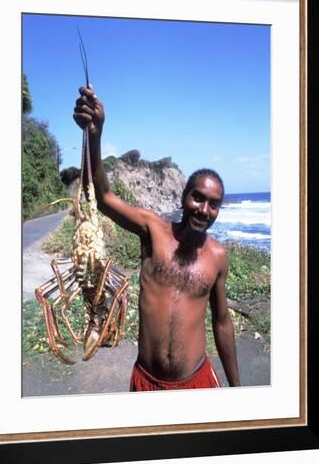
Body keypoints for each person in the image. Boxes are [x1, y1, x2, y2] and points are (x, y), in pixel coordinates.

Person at [73, 85, 240, 391]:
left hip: (197, 383)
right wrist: (94, 134)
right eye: (197, 198)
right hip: (146, 381)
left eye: (213, 204)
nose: (203, 210)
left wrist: (237, 390)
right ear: (183, 197)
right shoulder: (152, 229)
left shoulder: (217, 256)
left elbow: (221, 321)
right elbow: (105, 196)